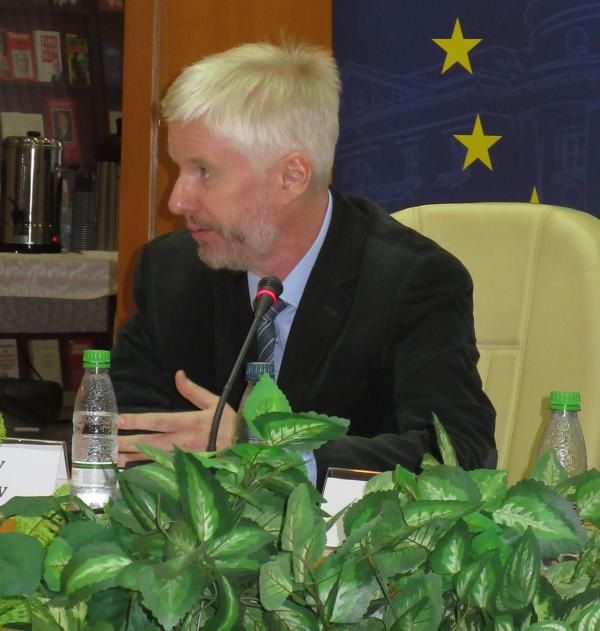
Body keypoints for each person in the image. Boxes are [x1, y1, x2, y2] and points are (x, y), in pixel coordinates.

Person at [112, 40, 496, 488]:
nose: (177, 200)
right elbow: (125, 428)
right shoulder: (171, 271)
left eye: (204, 172)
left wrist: (262, 451)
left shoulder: (412, 281)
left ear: (291, 176)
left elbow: (457, 453)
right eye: (178, 169)